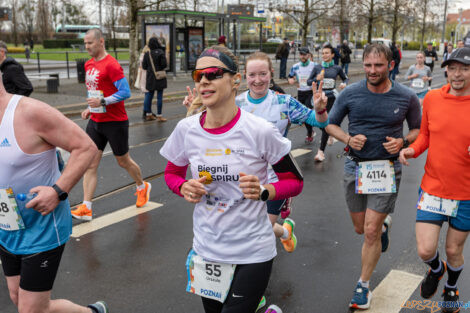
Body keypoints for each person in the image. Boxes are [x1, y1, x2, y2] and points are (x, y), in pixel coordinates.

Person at [161, 45, 304, 313]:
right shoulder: (187, 130)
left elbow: (294, 181)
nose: (204, 80)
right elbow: (171, 174)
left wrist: (265, 191)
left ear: (235, 80)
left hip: (252, 250)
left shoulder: (260, 131)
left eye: (213, 73)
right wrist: (184, 187)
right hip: (207, 250)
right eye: (198, 75)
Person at [0, 70, 108, 312]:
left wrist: (57, 191)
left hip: (42, 227)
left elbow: (85, 147)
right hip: (6, 227)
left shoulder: (29, 112)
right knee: (18, 297)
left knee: (30, 310)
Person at [326, 43, 422, 310]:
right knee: (361, 228)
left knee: (370, 232)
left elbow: (417, 129)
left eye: (378, 65)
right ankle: (384, 227)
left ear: (390, 65)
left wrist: (403, 142)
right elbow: (330, 125)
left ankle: (363, 286)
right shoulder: (351, 93)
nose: (371, 70)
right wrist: (347, 138)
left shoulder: (406, 97)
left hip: (386, 169)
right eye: (367, 65)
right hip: (355, 167)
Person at [399, 46, 470, 313]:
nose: (458, 74)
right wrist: (412, 149)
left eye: (464, 68)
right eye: (453, 68)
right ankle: (436, 271)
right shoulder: (431, 98)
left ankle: (451, 286)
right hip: (433, 187)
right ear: (446, 70)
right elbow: (426, 136)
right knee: (426, 250)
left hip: (465, 194)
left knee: (454, 250)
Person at [72, 28, 151, 221]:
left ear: (101, 42)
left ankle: (142, 186)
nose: (87, 46)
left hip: (115, 123)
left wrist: (103, 102)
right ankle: (86, 207)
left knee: (123, 161)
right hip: (96, 122)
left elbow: (125, 92)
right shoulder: (89, 64)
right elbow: (96, 92)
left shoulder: (112, 65)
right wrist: (90, 108)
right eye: (85, 43)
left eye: (90, 42)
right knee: (90, 164)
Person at [307, 43, 348, 162]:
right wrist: (316, 79)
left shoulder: (337, 68)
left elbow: (345, 78)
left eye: (327, 53)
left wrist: (344, 83)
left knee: (327, 124)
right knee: (323, 125)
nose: (324, 55)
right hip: (320, 99)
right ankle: (330, 133)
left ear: (332, 55)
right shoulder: (317, 68)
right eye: (323, 53)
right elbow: (309, 82)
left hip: (332, 98)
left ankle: (321, 152)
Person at [288, 47, 318, 143]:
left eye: (304, 54)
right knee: (301, 115)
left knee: (307, 113)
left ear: (309, 55)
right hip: (300, 92)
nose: (302, 56)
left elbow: (321, 76)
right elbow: (289, 76)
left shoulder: (315, 66)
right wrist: (291, 80)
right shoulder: (295, 66)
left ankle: (310, 133)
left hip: (310, 92)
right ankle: (310, 130)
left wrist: (317, 80)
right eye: (301, 54)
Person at [142, 37, 168, 122]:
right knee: (159, 97)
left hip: (150, 78)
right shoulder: (161, 52)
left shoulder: (147, 54)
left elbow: (144, 66)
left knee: (149, 96)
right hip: (159, 77)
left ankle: (148, 114)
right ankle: (159, 115)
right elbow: (164, 65)